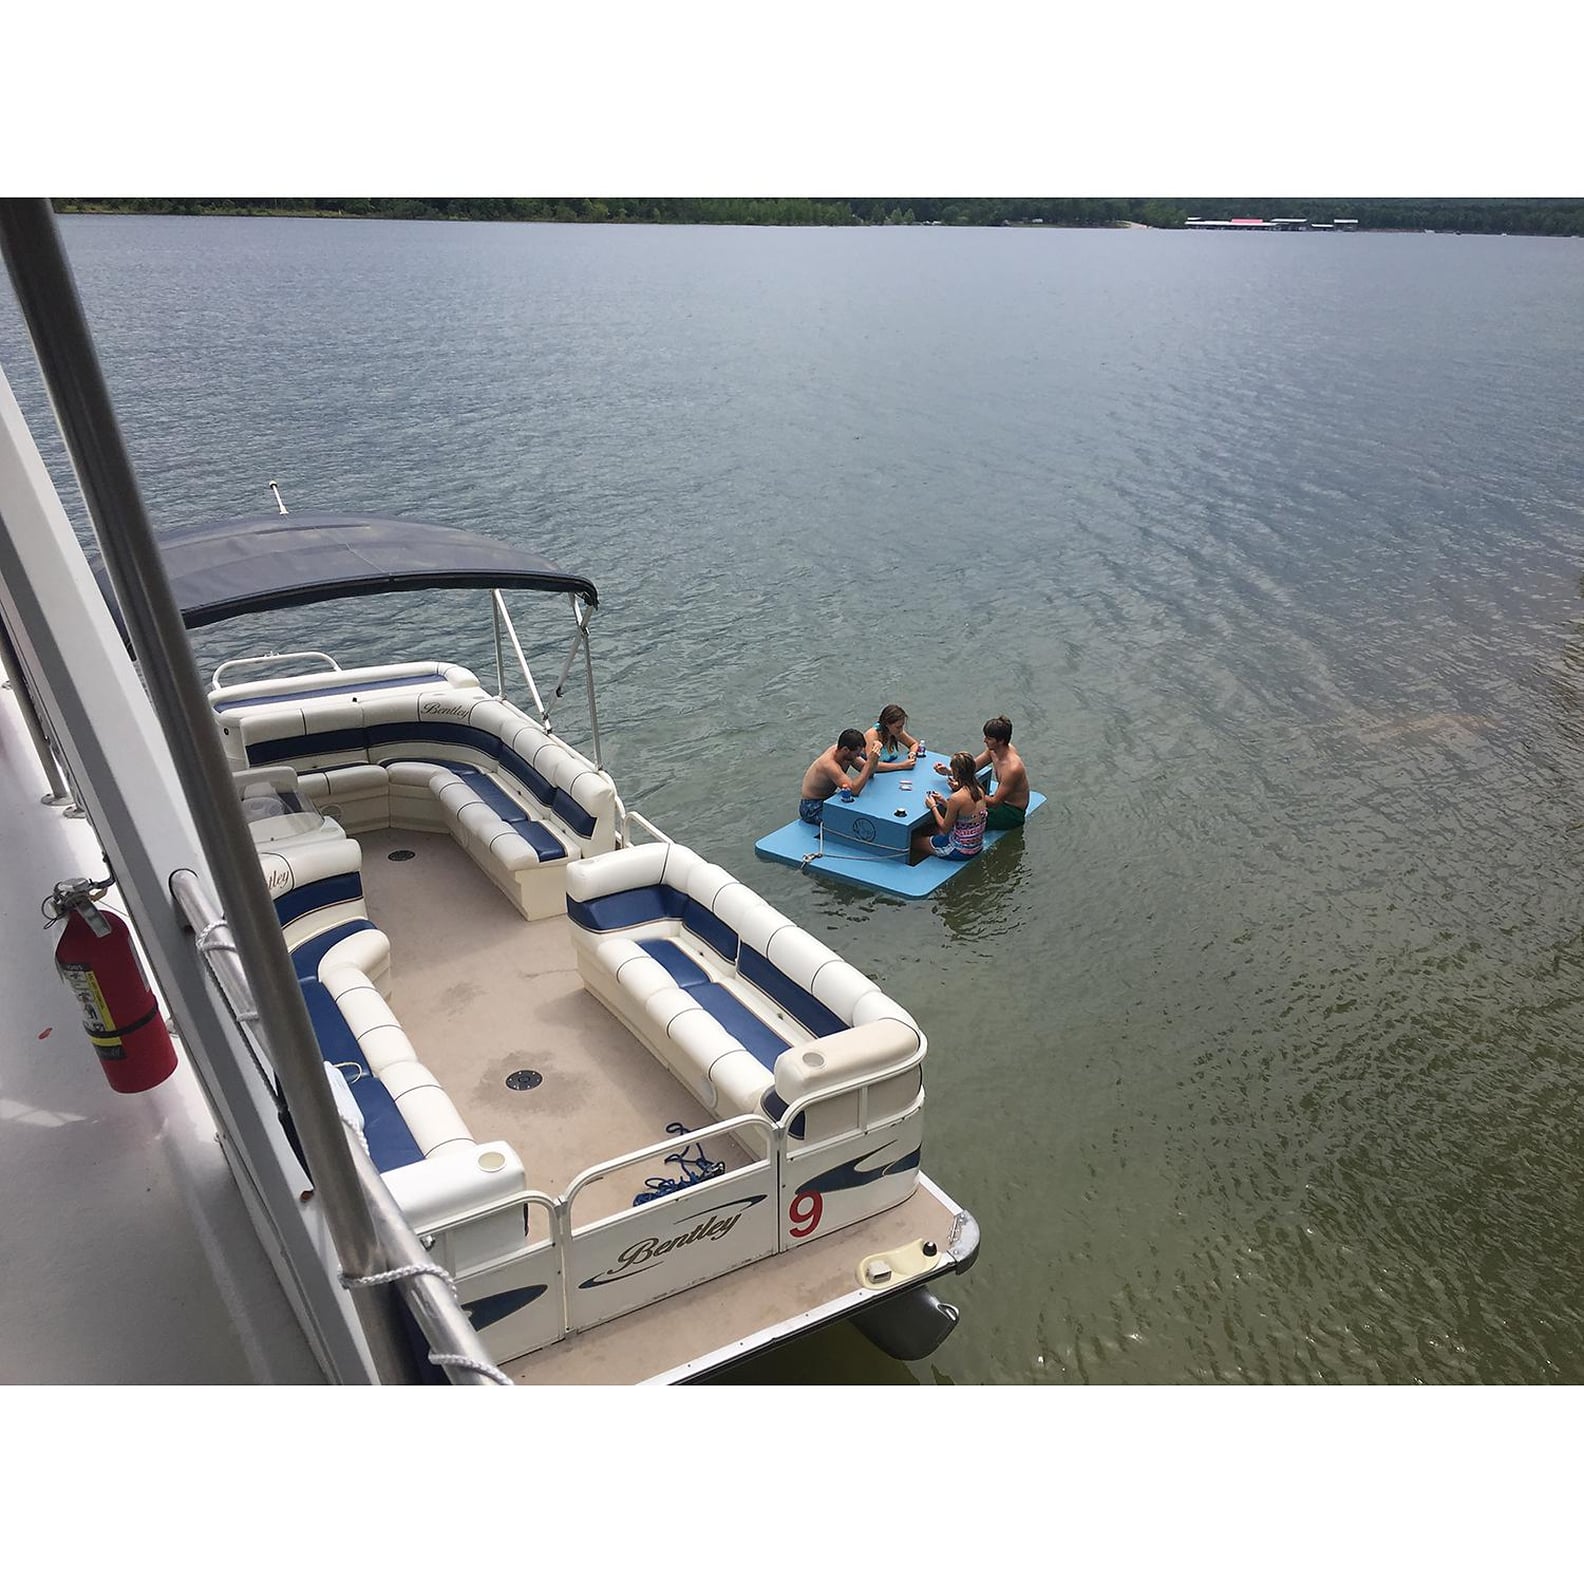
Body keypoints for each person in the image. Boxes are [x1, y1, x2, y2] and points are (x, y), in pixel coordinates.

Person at [935, 714, 1029, 830]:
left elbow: (995, 802)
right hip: (999, 802)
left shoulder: (1012, 768)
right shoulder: (993, 751)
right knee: (955, 806)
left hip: (1012, 812)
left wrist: (962, 791)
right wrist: (950, 771)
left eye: (989, 738)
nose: (984, 741)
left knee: (960, 811)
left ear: (1000, 741)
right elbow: (973, 767)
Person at [912, 751, 989, 861]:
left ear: (956, 772)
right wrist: (944, 802)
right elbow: (964, 813)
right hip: (976, 845)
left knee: (914, 841)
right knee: (929, 829)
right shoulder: (979, 790)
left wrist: (933, 806)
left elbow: (944, 829)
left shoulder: (957, 798)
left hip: (959, 849)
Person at [799, 728, 879, 824]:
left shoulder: (847, 755)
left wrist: (874, 758)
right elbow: (854, 791)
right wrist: (870, 763)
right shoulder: (829, 764)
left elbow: (868, 771)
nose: (858, 756)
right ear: (846, 750)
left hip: (828, 797)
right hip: (811, 806)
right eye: (857, 754)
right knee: (845, 822)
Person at [865, 704, 920, 771]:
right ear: (887, 724)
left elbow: (913, 744)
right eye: (898, 727)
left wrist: (912, 753)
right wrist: (902, 766)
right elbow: (870, 765)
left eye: (902, 726)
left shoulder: (896, 732)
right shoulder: (872, 735)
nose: (901, 730)